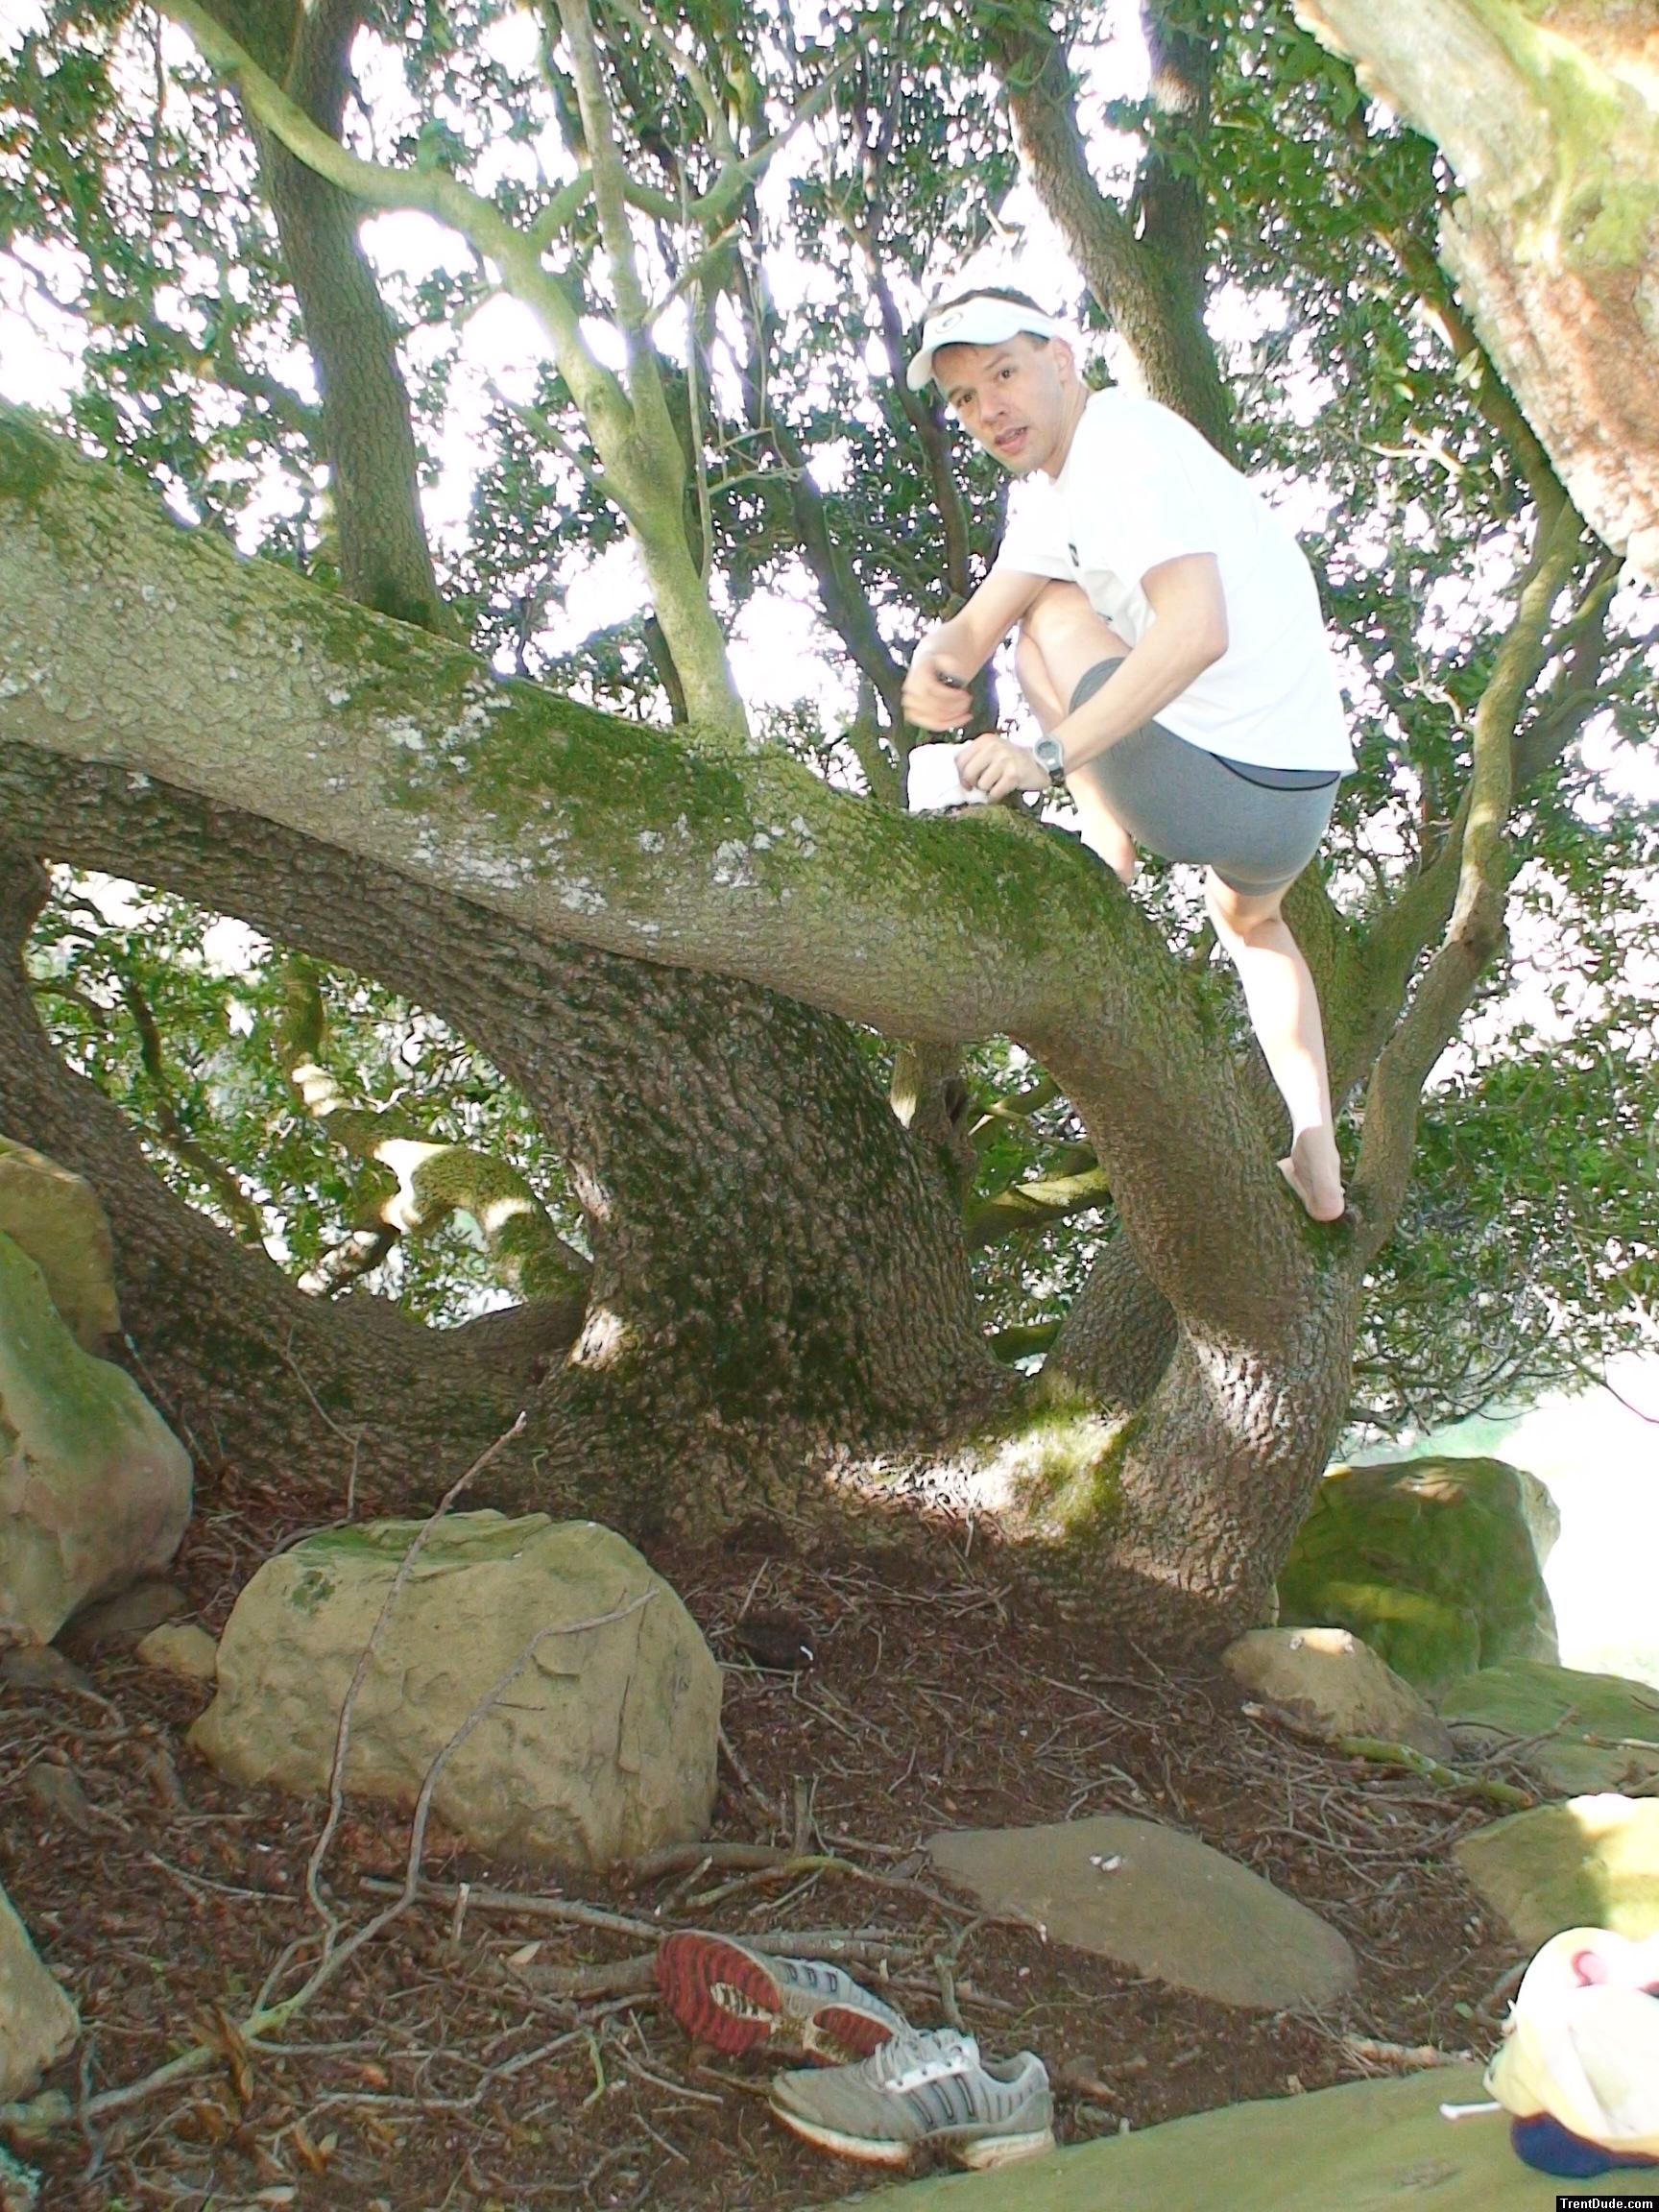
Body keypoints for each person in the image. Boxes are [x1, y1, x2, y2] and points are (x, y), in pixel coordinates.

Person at [900, 286, 1354, 1224]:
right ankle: (1318, 1153)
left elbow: (1195, 632)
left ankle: (1109, 857)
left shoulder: (1123, 447)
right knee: (1254, 927)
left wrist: (1046, 755)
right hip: (1297, 802)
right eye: (964, 399)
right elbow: (974, 625)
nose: (990, 408)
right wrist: (936, 660)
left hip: (1202, 785)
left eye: (1006, 373)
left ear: (1062, 362)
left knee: (1050, 624)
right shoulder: (1057, 495)